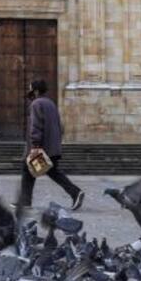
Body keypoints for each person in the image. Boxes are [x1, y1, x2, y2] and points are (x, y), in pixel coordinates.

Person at [18, 78, 83, 211]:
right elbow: (61, 126)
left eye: (31, 90)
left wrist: (35, 146)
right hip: (52, 147)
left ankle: (75, 192)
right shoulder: (50, 103)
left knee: (28, 170)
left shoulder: (36, 104)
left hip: (40, 149)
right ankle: (75, 192)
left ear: (35, 91)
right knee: (46, 172)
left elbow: (35, 126)